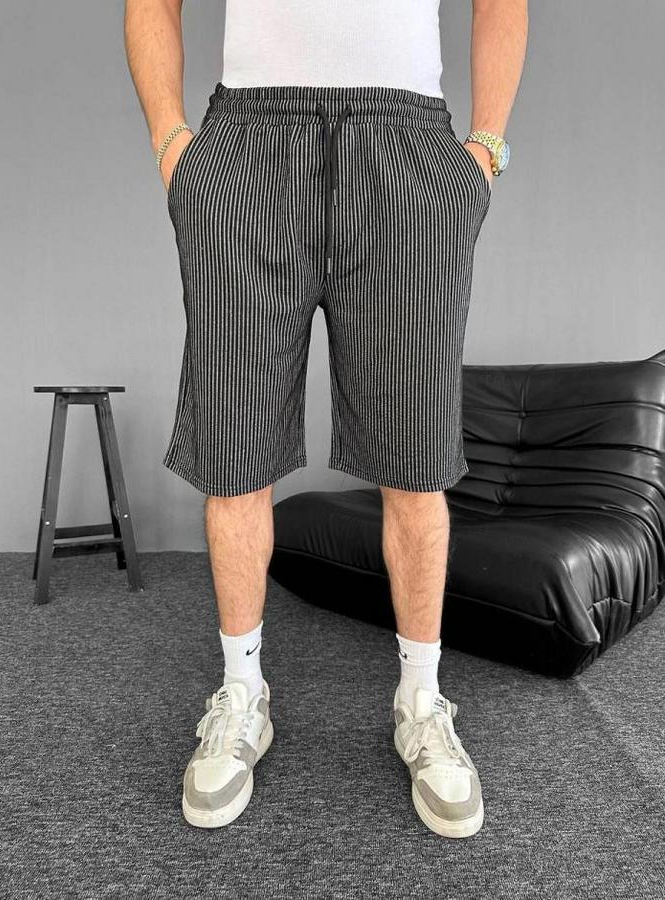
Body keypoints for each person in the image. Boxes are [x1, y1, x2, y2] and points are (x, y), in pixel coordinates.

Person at [124, 0, 527, 838]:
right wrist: (171, 142)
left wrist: (484, 148)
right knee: (234, 451)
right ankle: (242, 693)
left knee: (417, 457)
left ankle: (421, 701)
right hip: (248, 145)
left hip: (406, 148)